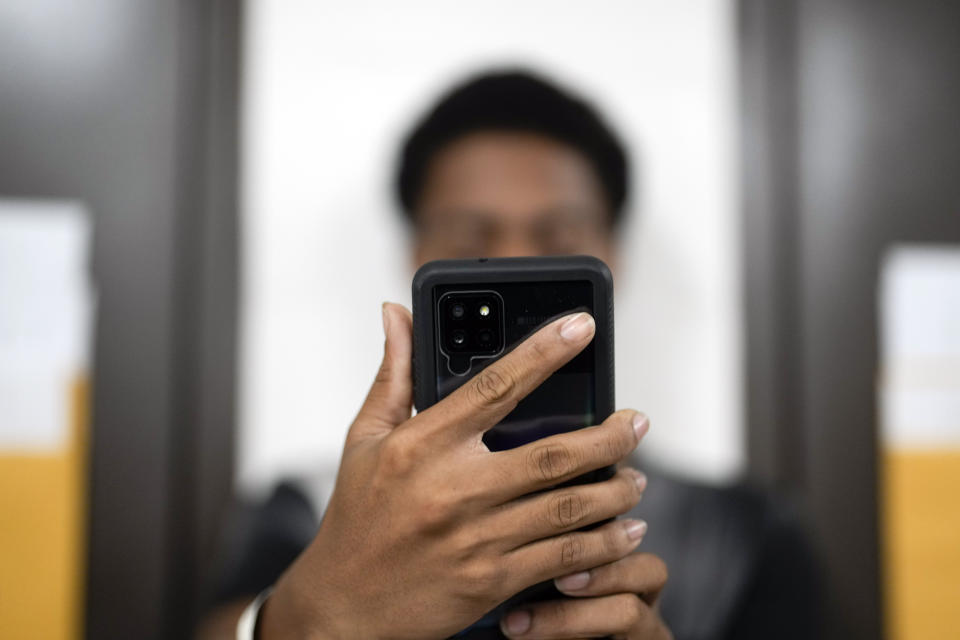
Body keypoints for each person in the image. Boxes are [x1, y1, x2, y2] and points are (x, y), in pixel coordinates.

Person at [199, 70, 819, 639]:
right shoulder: (314, 508)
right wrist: (311, 612)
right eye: (470, 240)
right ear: (416, 256)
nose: (520, 261)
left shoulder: (743, 532)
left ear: (614, 258)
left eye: (560, 238)